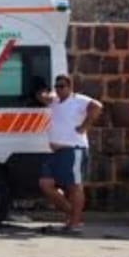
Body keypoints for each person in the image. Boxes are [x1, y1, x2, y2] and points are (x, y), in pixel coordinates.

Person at [37, 74, 102, 234]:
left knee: (75, 187)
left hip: (74, 149)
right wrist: (41, 91)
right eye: (57, 86)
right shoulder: (55, 101)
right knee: (45, 183)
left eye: (62, 86)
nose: (59, 89)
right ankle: (71, 213)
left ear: (70, 87)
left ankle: (74, 222)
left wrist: (84, 127)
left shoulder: (78, 100)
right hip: (57, 151)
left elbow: (97, 106)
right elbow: (42, 97)